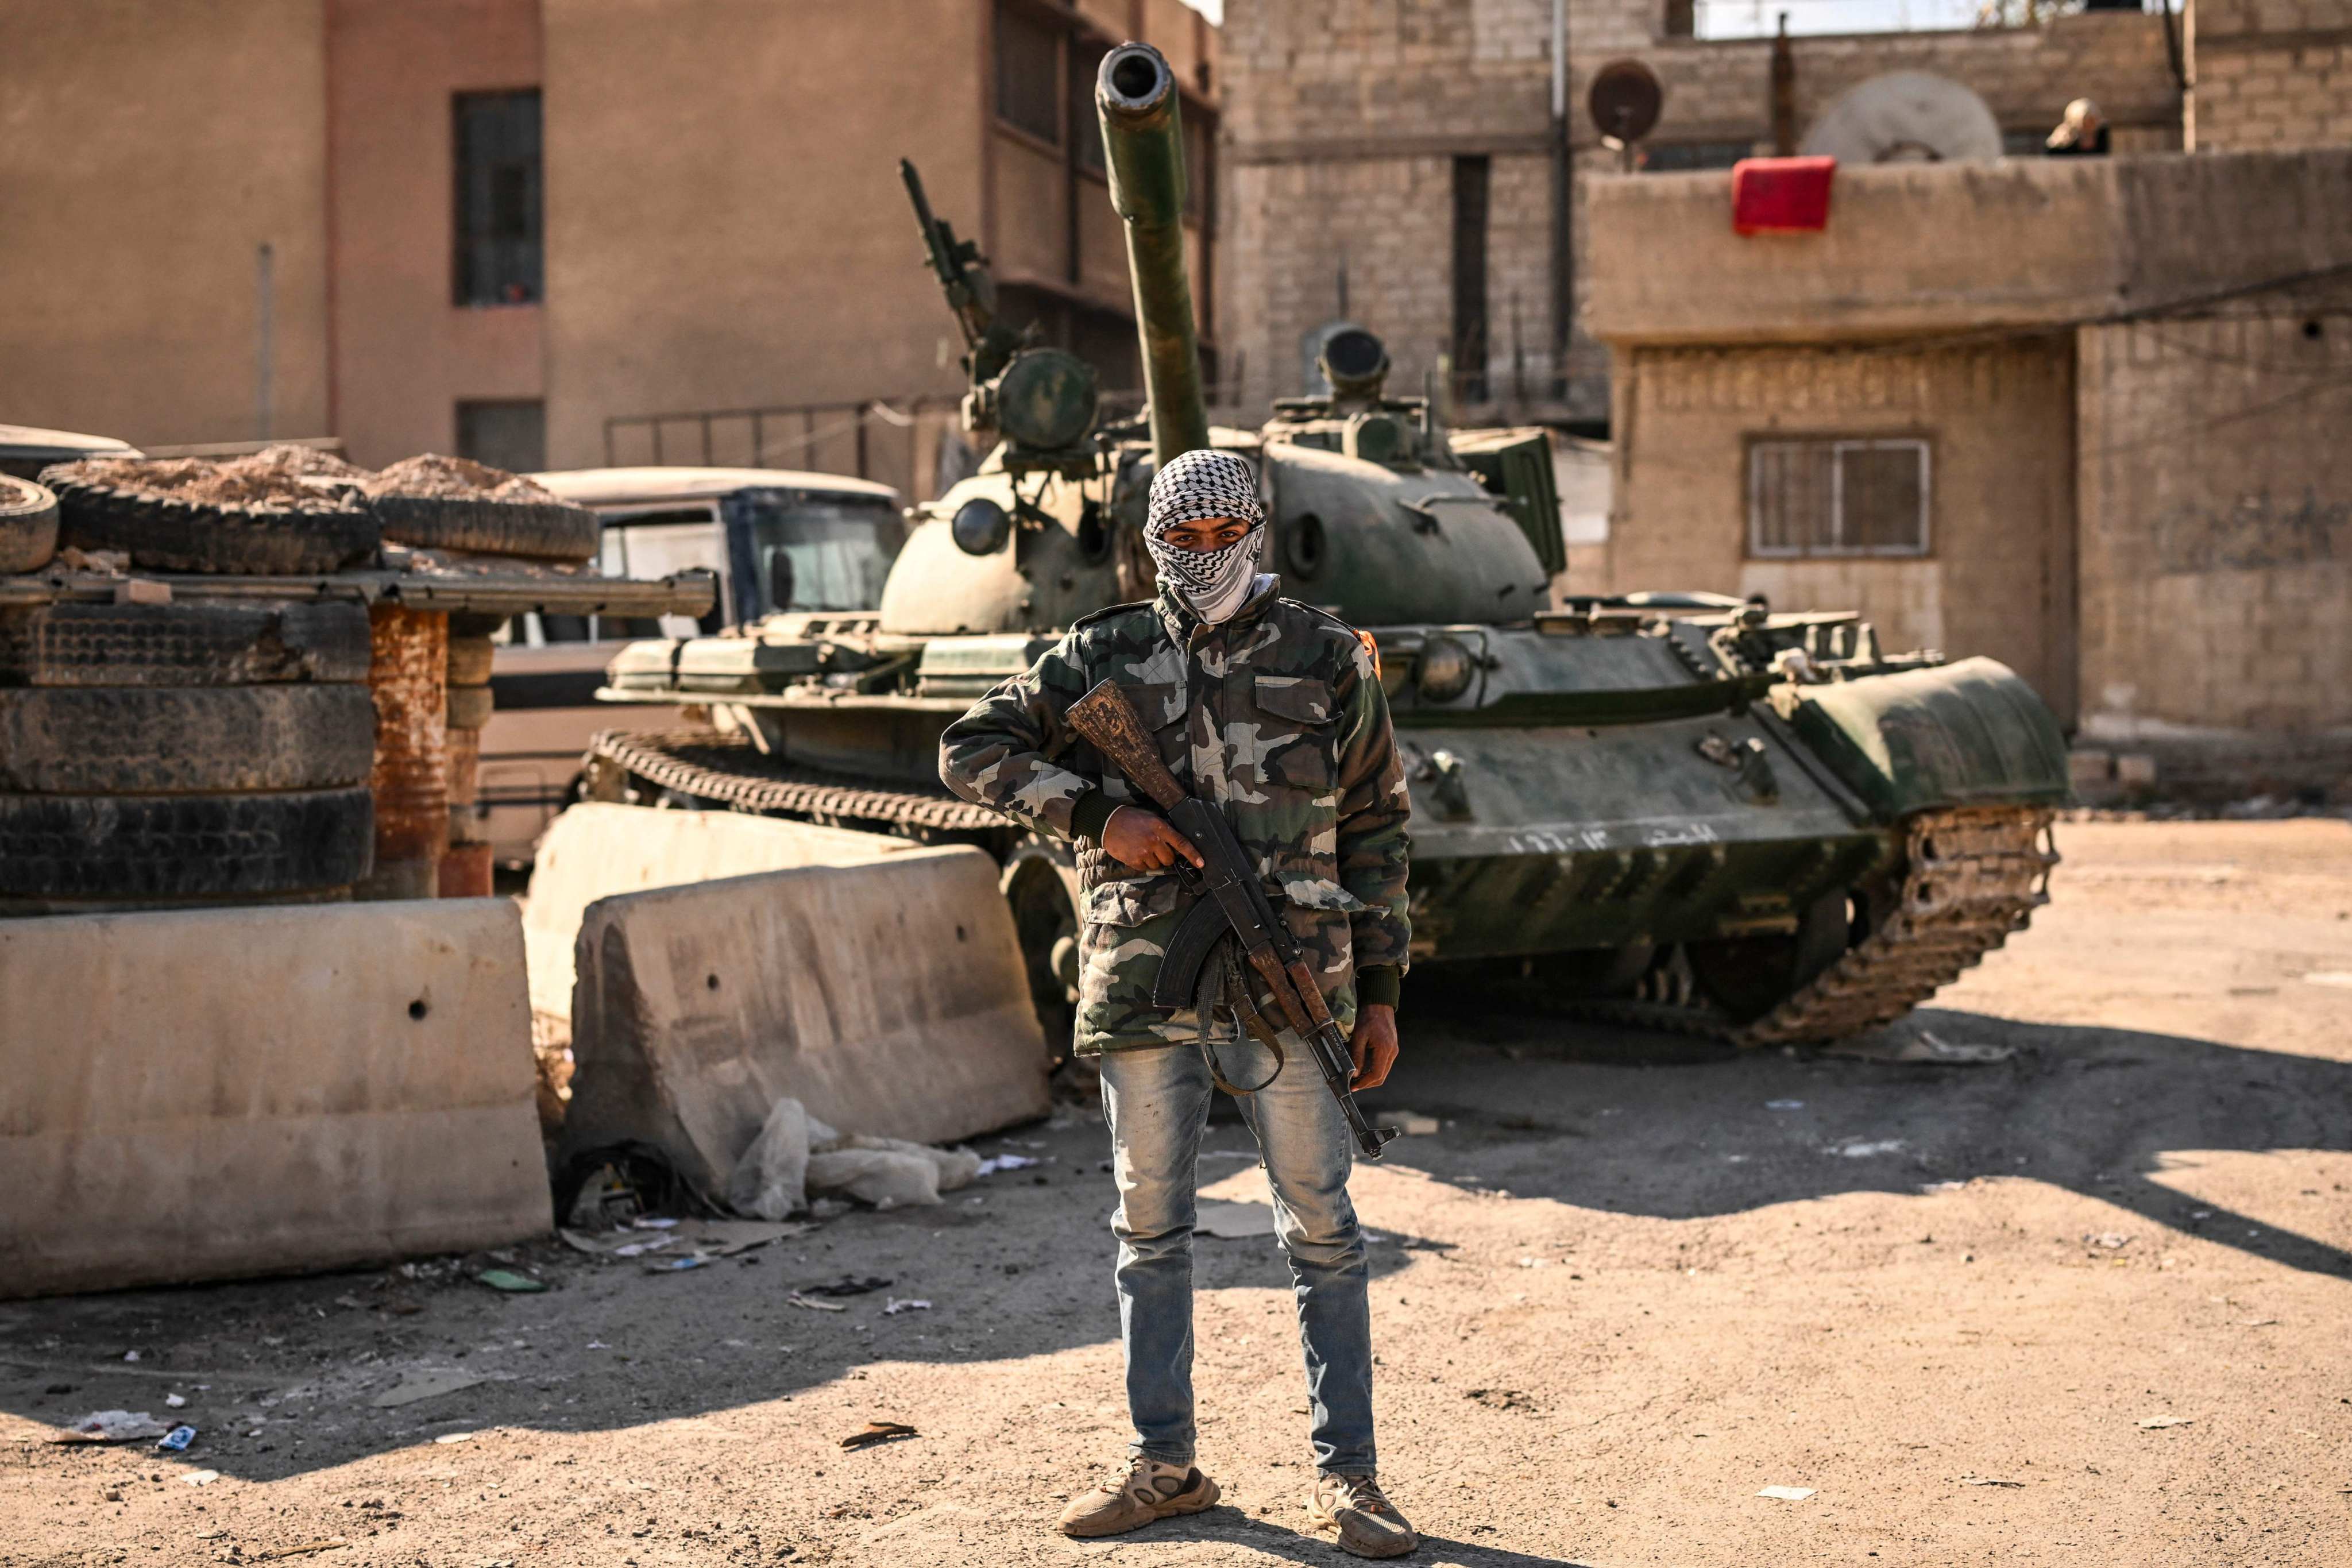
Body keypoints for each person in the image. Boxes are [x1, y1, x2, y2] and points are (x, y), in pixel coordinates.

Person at [938, 446, 1418, 1558]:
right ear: (1156, 538)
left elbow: (1383, 829)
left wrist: (1383, 995)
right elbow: (973, 748)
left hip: (1296, 984)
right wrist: (1094, 818)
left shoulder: (1328, 656)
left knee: (1325, 1232)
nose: (1207, 556)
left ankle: (1352, 1481)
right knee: (1150, 1230)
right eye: (1184, 538)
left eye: (1225, 533)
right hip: (1145, 978)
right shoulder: (1102, 653)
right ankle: (1164, 1467)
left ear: (1257, 527)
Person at [2045, 98, 2109, 157]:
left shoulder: (2101, 134)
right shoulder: (2064, 140)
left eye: (2092, 121)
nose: (2089, 125)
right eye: (2085, 122)